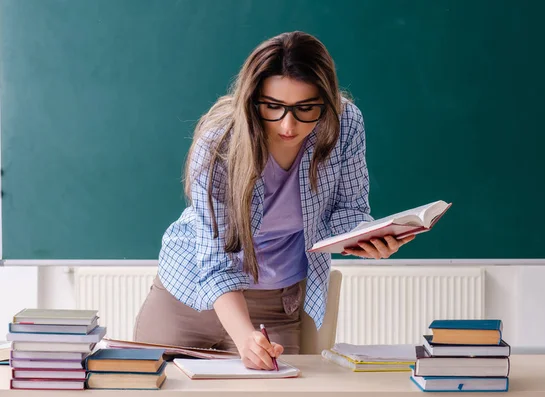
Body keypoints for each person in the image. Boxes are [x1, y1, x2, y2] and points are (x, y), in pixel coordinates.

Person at [133, 31, 415, 370]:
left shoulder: (346, 124)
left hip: (276, 303)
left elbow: (348, 211)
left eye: (306, 108)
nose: (288, 124)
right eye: (273, 107)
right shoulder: (219, 142)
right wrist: (243, 337)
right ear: (252, 99)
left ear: (325, 100)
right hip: (187, 297)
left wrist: (369, 238)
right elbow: (215, 261)